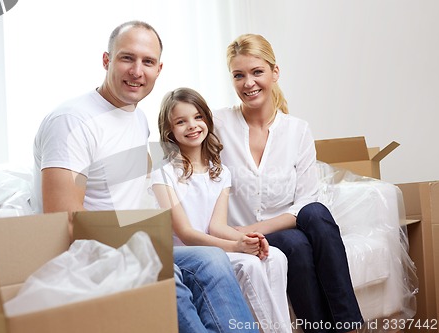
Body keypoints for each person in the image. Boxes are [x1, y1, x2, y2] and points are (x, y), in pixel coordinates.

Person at [31, 21, 258, 333]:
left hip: (134, 242)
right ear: (106, 60)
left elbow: (135, 197)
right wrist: (139, 251)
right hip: (95, 251)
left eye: (147, 61)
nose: (137, 71)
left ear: (159, 68)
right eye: (127, 58)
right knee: (165, 274)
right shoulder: (73, 121)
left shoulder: (137, 119)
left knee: (213, 259)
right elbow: (63, 220)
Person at [213, 33, 364, 333]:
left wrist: (253, 229)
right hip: (251, 236)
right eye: (238, 75)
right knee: (296, 245)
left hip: (284, 225)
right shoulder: (217, 124)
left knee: (317, 212)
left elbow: (305, 202)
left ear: (274, 72)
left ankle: (349, 325)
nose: (248, 83)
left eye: (257, 72)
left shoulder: (297, 131)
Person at [151, 87, 292, 333]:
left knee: (275, 257)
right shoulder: (163, 173)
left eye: (198, 117)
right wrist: (236, 247)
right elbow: (185, 233)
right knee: (248, 266)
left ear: (207, 118)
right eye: (181, 122)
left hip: (214, 247)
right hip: (190, 253)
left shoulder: (220, 172)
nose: (192, 126)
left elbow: (217, 226)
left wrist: (249, 240)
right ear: (170, 131)